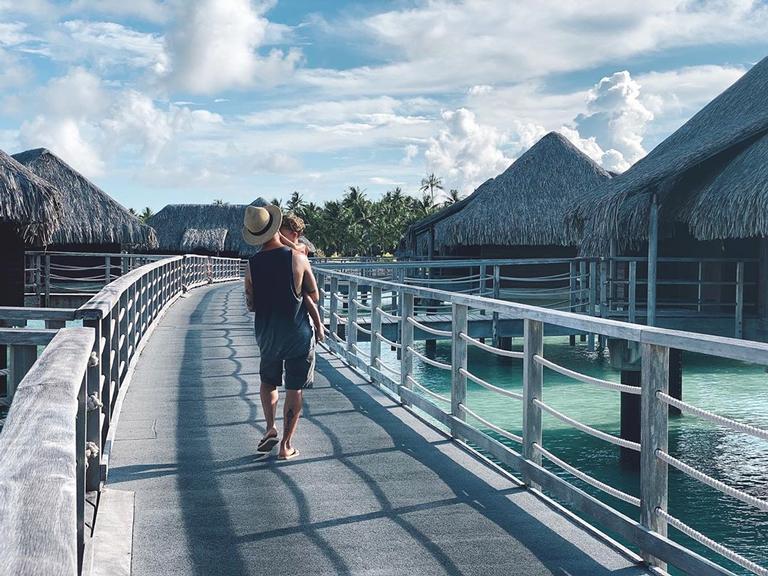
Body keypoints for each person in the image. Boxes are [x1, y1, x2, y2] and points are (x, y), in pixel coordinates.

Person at [243, 204, 320, 460]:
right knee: (294, 387)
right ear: (277, 227)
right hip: (297, 335)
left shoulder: (252, 265)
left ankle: (270, 427)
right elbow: (314, 295)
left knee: (268, 381)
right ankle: (286, 446)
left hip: (267, 335)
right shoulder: (297, 258)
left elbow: (251, 304)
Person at [278, 213, 324, 340]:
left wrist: (279, 236)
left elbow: (295, 247)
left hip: (303, 277)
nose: (281, 239)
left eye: (283, 234)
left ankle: (319, 326)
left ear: (295, 235)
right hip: (294, 278)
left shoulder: (302, 245)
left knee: (307, 298)